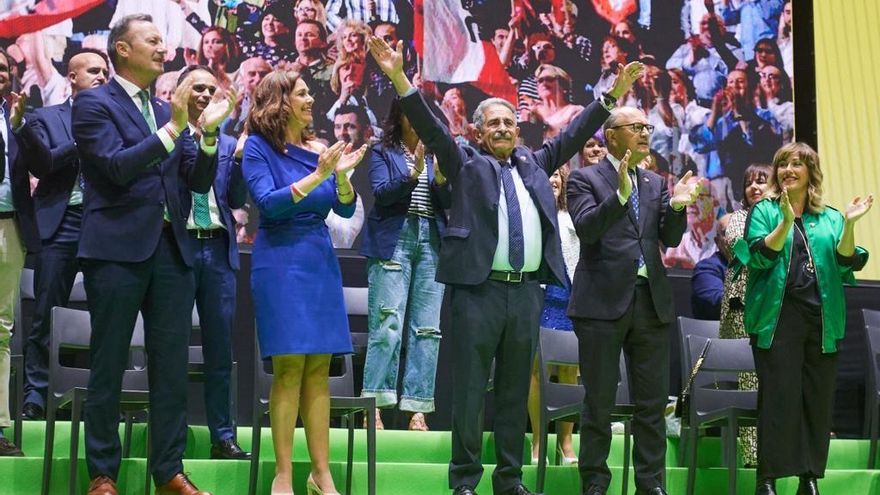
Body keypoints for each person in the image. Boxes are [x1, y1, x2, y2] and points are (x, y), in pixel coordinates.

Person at [368, 35, 643, 495]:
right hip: (479, 291)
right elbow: (432, 127)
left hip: (526, 293)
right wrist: (398, 77)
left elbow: (574, 134)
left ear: (519, 129)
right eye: (492, 123)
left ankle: (510, 481)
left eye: (509, 122)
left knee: (515, 393)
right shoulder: (465, 163)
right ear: (477, 133)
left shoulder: (536, 164)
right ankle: (464, 482)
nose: (502, 128)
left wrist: (611, 96)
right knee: (471, 391)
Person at [71, 14, 233, 495]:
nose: (164, 48)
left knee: (171, 367)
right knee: (109, 362)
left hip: (171, 251)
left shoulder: (167, 111)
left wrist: (206, 136)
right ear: (123, 49)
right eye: (153, 40)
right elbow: (117, 168)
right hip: (117, 249)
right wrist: (176, 128)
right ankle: (102, 474)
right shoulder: (93, 103)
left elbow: (196, 181)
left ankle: (169, 472)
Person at [242, 69, 367, 495]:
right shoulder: (258, 148)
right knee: (289, 367)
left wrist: (344, 178)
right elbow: (269, 205)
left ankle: (321, 473)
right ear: (279, 101)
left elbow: (346, 213)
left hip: (318, 261)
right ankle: (282, 472)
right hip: (279, 261)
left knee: (318, 369)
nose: (311, 99)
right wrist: (319, 174)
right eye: (301, 93)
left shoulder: (319, 148)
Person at [566, 106, 701, 495]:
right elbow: (589, 229)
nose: (645, 132)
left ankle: (650, 484)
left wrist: (676, 206)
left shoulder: (657, 182)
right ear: (611, 135)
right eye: (636, 127)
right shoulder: (584, 178)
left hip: (650, 301)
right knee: (599, 400)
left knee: (652, 402)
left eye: (647, 127)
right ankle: (595, 481)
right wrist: (621, 195)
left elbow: (670, 240)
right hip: (601, 303)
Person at [736, 143, 872, 495]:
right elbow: (760, 257)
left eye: (797, 164)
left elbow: (845, 262)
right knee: (779, 398)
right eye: (782, 164)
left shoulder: (829, 216)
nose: (788, 170)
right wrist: (784, 221)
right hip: (778, 318)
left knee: (817, 398)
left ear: (811, 172)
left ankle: (808, 476)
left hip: (822, 320)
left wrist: (850, 225)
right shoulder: (764, 210)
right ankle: (767, 478)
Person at [14, 50, 109, 422]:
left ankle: (102, 397)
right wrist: (84, 137)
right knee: (46, 312)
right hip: (62, 222)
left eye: (105, 71)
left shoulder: (116, 120)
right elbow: (45, 162)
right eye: (92, 71)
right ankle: (36, 393)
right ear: (71, 77)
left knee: (109, 316)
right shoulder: (46, 117)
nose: (101, 76)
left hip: (105, 223)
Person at [359, 98, 451, 432]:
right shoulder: (382, 151)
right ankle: (376, 407)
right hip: (394, 239)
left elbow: (451, 203)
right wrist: (412, 175)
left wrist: (441, 181)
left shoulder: (436, 152)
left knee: (428, 330)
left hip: (431, 241)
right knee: (388, 323)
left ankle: (417, 409)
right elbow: (382, 194)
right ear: (400, 116)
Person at [176, 66, 250, 460]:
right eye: (197, 87)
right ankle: (169, 435)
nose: (205, 94)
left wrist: (239, 160)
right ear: (179, 92)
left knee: (220, 351)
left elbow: (237, 197)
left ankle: (223, 436)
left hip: (219, 252)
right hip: (179, 248)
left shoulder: (228, 143)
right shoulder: (170, 138)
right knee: (169, 346)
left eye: (211, 89)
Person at [718, 162, 771, 469]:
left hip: (774, 309)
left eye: (761, 181)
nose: (754, 187)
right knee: (749, 383)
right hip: (742, 310)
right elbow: (746, 251)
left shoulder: (783, 218)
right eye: (750, 182)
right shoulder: (737, 219)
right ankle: (752, 457)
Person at [0, 48, 40, 457]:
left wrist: (21, 127)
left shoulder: (21, 119)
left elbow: (45, 165)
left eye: (4, 68)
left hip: (10, 226)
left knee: (1, 329)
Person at [527, 166, 579, 466]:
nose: (553, 180)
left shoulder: (574, 216)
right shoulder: (531, 213)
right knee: (537, 371)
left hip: (570, 299)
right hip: (540, 298)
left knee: (570, 372)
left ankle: (566, 445)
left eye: (558, 174)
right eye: (548, 175)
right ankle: (537, 442)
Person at [690, 213, 730, 320]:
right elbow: (718, 302)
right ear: (717, 241)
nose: (736, 237)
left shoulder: (757, 265)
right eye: (728, 232)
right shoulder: (707, 268)